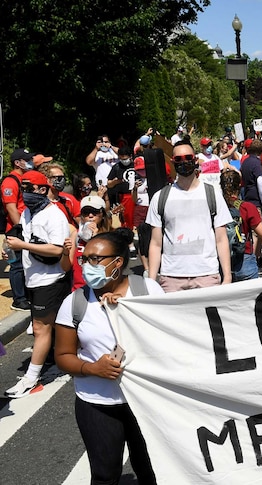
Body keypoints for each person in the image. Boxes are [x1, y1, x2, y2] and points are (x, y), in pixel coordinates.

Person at [55, 228, 160, 485]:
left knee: (152, 468)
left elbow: (166, 339)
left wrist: (125, 310)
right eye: (84, 258)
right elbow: (63, 355)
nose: (86, 266)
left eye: (95, 259)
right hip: (97, 403)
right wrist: (93, 369)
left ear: (118, 262)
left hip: (146, 401)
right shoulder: (74, 303)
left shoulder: (149, 291)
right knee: (104, 474)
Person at [4, 170, 71, 398]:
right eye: (22, 188)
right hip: (32, 278)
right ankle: (65, 357)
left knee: (41, 329)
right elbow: (24, 239)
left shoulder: (55, 216)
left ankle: (31, 378)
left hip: (50, 280)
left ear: (42, 190)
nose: (24, 192)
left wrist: (23, 247)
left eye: (28, 188)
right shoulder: (27, 214)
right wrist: (11, 249)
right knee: (51, 325)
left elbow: (57, 249)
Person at [146, 140, 233, 291]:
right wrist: (152, 281)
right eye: (178, 159)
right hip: (171, 277)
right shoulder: (160, 197)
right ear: (173, 162)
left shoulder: (213, 194)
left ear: (195, 159)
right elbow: (155, 243)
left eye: (188, 157)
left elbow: (221, 238)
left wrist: (227, 277)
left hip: (207, 276)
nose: (184, 161)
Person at [3, 148, 35, 311]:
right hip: (16, 229)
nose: (30, 162)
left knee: (27, 262)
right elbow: (11, 208)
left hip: (27, 227)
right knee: (16, 265)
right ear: (17, 163)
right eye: (26, 159)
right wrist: (21, 229)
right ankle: (19, 299)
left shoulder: (24, 179)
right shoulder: (10, 182)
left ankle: (26, 294)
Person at [220, 171, 262, 282]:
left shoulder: (217, 206)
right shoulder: (247, 207)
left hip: (221, 260)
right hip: (244, 257)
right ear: (240, 185)